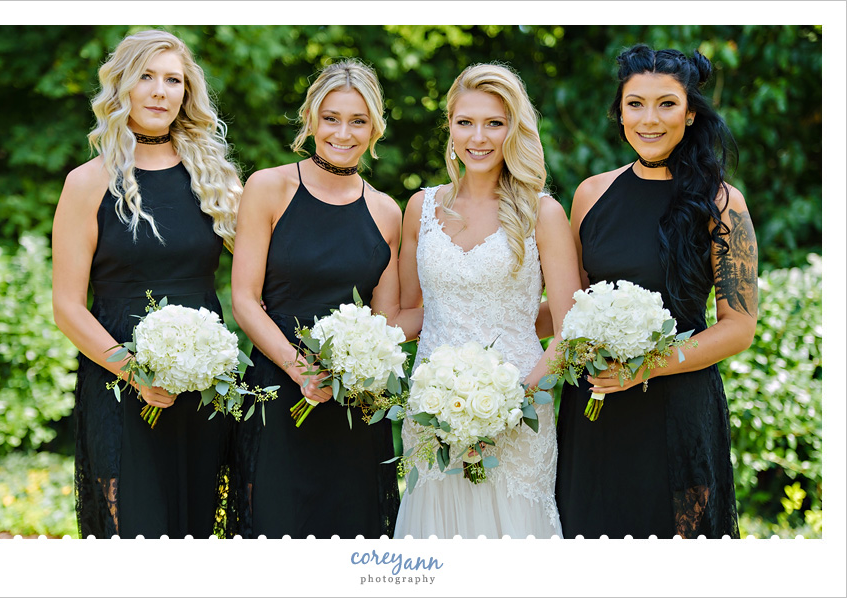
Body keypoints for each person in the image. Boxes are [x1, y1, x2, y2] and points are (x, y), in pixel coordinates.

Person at [554, 44, 757, 539]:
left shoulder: (722, 203)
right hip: (595, 404)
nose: (650, 119)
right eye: (635, 104)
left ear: (689, 114)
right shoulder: (590, 193)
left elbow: (739, 328)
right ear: (619, 113)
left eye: (667, 104)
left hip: (679, 409)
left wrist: (644, 368)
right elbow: (570, 304)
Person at [52, 30, 243, 539]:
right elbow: (67, 307)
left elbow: (268, 276)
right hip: (117, 381)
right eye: (146, 77)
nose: (160, 91)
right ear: (122, 87)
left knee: (197, 528)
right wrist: (134, 371)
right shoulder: (88, 182)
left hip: (206, 384)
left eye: (173, 80)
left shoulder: (216, 180)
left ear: (187, 92)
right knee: (131, 532)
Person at [393, 63, 581, 539]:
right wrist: (348, 351)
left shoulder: (543, 213)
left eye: (494, 123)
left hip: (519, 412)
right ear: (450, 126)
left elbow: (570, 331)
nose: (478, 137)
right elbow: (409, 314)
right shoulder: (421, 208)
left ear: (513, 130)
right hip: (432, 411)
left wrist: (511, 403)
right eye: (466, 122)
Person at [228, 59, 410, 539]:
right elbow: (245, 300)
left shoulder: (386, 212)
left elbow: (386, 320)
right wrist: (297, 368)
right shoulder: (268, 188)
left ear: (374, 128)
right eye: (331, 118)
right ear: (310, 119)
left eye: (358, 121)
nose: (343, 133)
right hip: (278, 393)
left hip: (354, 411)